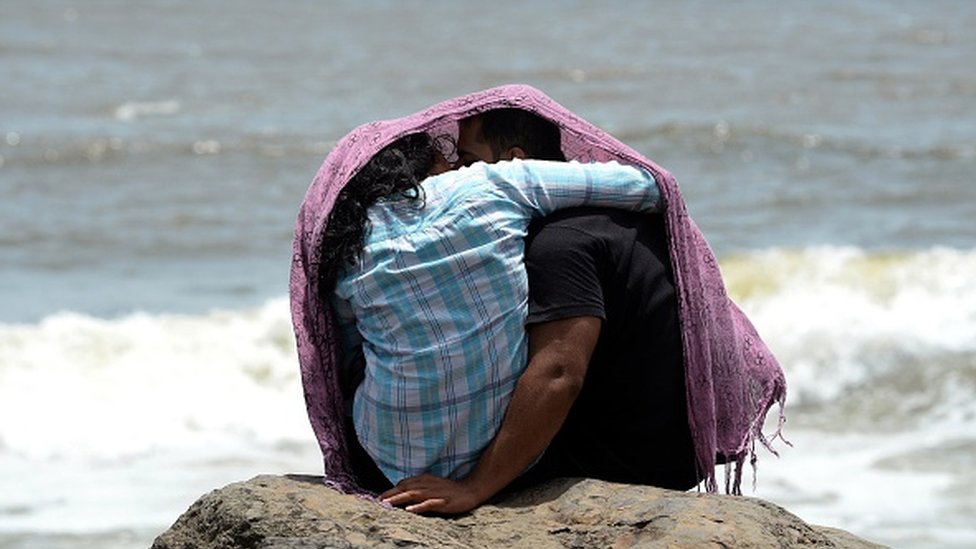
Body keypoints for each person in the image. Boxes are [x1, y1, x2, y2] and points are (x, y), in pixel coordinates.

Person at [381, 110, 697, 515]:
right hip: (664, 442)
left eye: (467, 160)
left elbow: (560, 374)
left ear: (512, 161)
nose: (455, 175)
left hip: (631, 462)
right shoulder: (601, 216)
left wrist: (473, 488)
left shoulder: (558, 245)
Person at [323, 131, 665, 495]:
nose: (457, 166)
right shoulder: (492, 181)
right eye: (452, 160)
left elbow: (346, 361)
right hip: (504, 455)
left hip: (385, 459)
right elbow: (649, 186)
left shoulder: (351, 237)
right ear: (430, 165)